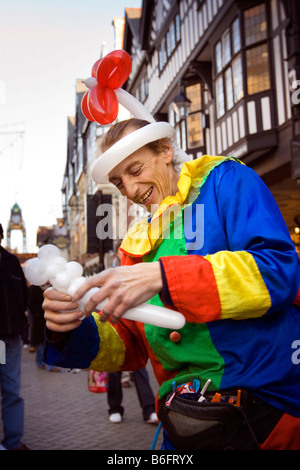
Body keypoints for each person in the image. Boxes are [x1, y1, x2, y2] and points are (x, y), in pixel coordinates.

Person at [42, 118, 300, 450]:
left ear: (165, 149)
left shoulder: (225, 181)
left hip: (264, 413)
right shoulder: (136, 243)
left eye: (135, 170)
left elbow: (278, 270)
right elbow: (130, 343)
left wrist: (164, 275)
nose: (132, 190)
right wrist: (72, 325)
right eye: (120, 183)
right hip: (186, 424)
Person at [107, 240, 157, 424]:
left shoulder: (138, 267)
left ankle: (149, 409)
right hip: (115, 323)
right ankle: (114, 407)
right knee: (114, 371)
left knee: (140, 369)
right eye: (123, 250)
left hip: (136, 323)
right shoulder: (111, 272)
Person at [0, 223, 29, 450]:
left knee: (12, 390)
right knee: (10, 390)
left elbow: (24, 297)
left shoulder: (10, 261)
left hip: (10, 338)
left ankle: (13, 441)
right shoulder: (10, 262)